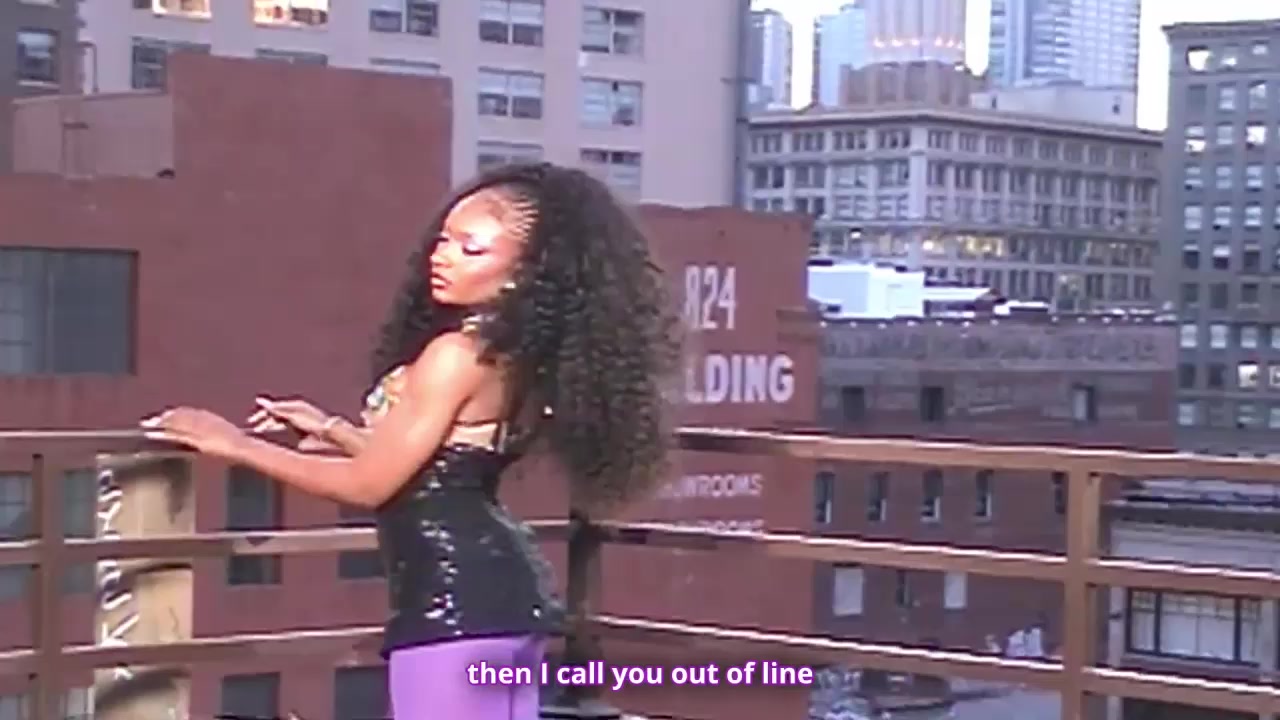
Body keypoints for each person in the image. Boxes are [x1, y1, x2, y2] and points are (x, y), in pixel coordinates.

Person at [140, 162, 679, 719]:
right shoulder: (520, 352)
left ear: (525, 273)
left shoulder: (456, 355)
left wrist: (232, 443)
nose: (441, 257)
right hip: (504, 602)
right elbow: (443, 469)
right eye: (443, 240)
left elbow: (369, 486)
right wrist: (333, 431)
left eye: (471, 249)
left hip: (455, 604)